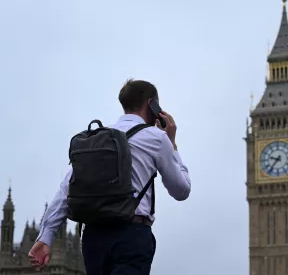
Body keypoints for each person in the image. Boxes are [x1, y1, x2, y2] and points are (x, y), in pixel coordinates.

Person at [28, 79, 191, 275]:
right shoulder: (156, 138)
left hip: (93, 238)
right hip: (131, 236)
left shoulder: (95, 139)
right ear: (151, 105)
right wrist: (172, 143)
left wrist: (45, 238)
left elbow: (66, 190)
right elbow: (181, 190)